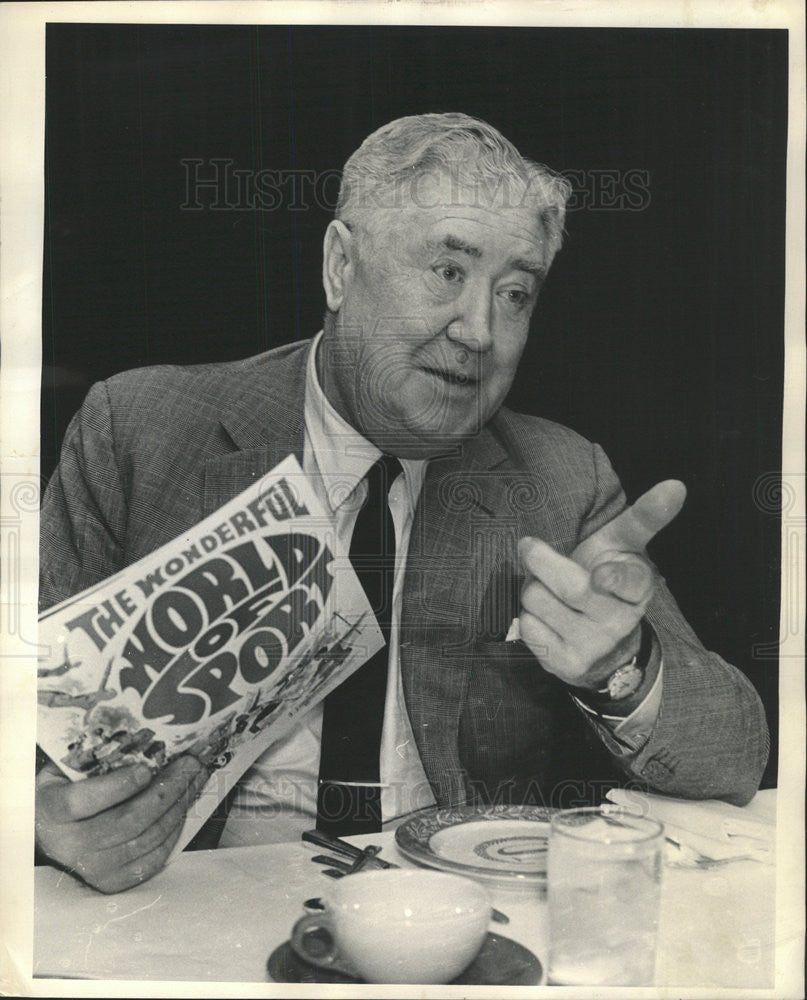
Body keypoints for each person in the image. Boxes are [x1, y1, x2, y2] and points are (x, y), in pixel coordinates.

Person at [36, 113, 769, 893]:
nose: (480, 331)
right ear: (340, 268)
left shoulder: (560, 480)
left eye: (515, 292)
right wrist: (46, 817)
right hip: (191, 905)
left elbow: (733, 754)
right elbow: (23, 719)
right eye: (447, 272)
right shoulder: (142, 434)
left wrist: (619, 667)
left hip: (456, 911)